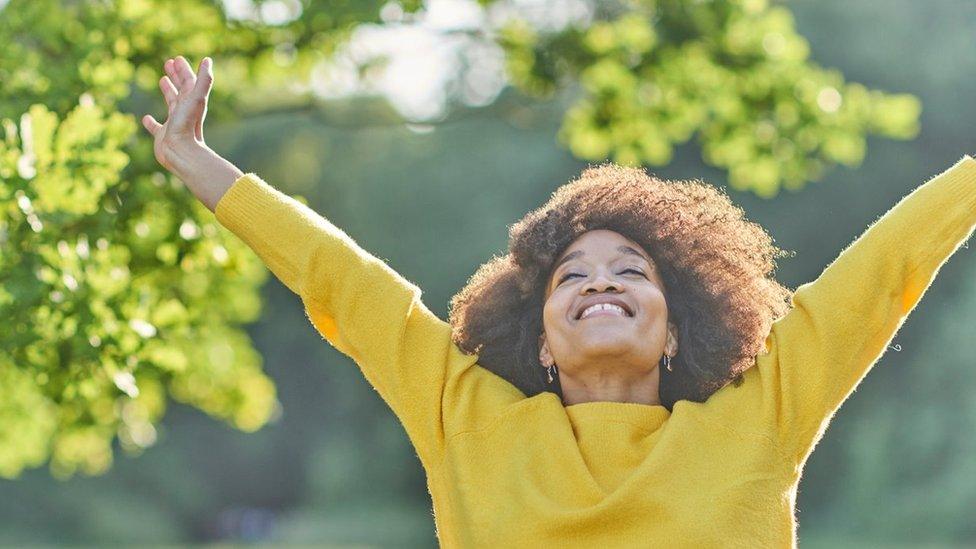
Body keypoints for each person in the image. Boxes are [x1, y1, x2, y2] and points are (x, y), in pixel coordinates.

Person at [143, 56, 976, 548]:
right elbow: (342, 281)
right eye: (571, 276)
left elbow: (884, 269)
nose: (601, 281)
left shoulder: (757, 421)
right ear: (539, 338)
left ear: (677, 328)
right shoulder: (467, 420)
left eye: (630, 270)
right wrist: (196, 161)